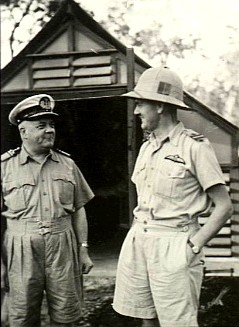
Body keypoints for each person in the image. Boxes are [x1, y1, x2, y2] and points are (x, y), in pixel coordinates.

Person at [112, 67, 233, 327]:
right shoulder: (146, 148)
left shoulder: (194, 147)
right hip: (140, 240)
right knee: (145, 319)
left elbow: (224, 206)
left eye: (141, 103)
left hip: (175, 244)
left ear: (159, 106)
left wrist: (193, 246)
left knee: (178, 323)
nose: (136, 110)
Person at [1, 94, 95, 327]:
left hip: (62, 246)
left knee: (67, 315)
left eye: (52, 125)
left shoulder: (67, 164)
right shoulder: (4, 167)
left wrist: (83, 249)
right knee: (21, 318)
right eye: (41, 125)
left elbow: (78, 209)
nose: (50, 130)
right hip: (20, 249)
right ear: (23, 132)